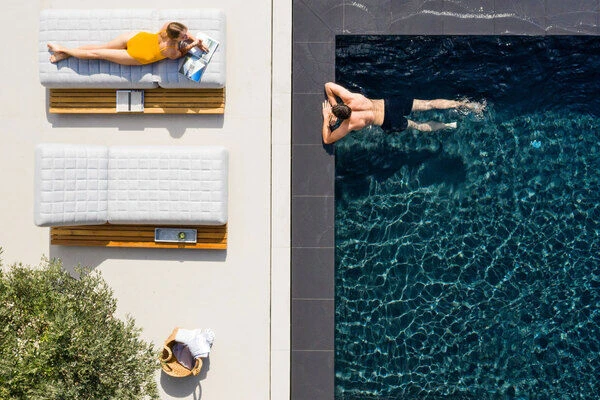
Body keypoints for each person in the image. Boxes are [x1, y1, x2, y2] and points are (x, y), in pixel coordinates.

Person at [321, 82, 483, 144]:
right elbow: (329, 86)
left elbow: (327, 139)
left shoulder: (349, 124)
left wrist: (327, 117)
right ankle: (465, 104)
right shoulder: (352, 98)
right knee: (429, 103)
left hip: (388, 121)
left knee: (418, 126)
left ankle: (448, 125)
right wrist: (334, 105)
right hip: (392, 103)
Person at [47, 22, 208, 66]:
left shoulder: (169, 26)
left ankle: (64, 54)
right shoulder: (170, 49)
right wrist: (194, 44)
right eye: (184, 35)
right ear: (175, 37)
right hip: (137, 55)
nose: (187, 35)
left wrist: (194, 40)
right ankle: (62, 49)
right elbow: (181, 54)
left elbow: (182, 34)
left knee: (101, 47)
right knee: (96, 54)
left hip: (138, 38)